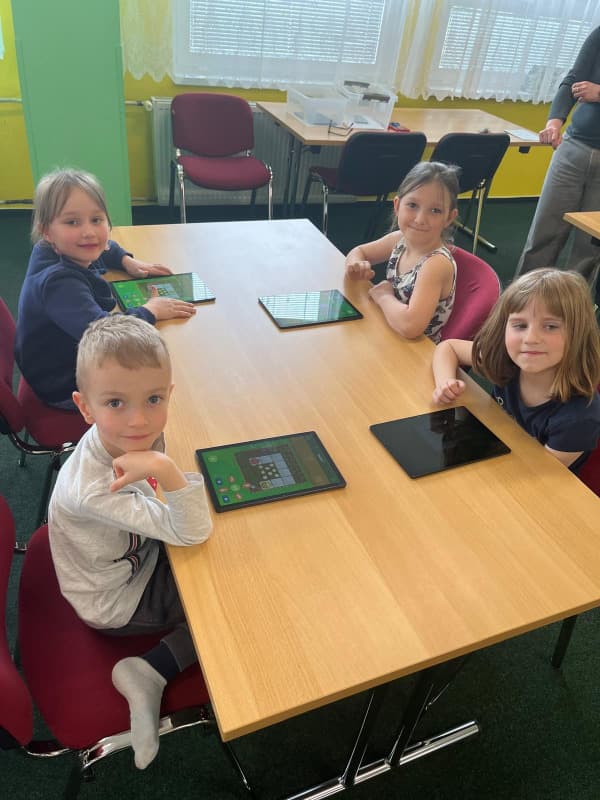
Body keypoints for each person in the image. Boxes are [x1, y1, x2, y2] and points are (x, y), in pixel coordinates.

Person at [48, 314, 212, 769]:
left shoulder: (121, 435)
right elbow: (192, 530)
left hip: (134, 558)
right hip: (117, 601)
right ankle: (150, 669)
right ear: (85, 407)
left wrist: (161, 467)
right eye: (116, 403)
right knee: (230, 604)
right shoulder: (94, 489)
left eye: (153, 399)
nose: (139, 420)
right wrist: (164, 469)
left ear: (169, 394)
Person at [15, 168, 197, 409]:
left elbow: (104, 245)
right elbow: (105, 336)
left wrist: (126, 261)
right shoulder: (59, 283)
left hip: (53, 362)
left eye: (96, 219)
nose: (88, 232)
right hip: (63, 384)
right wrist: (150, 311)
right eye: (72, 222)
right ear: (47, 231)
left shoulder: (55, 247)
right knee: (172, 386)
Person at [432, 268, 600, 472]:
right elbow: (448, 348)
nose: (531, 339)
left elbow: (538, 474)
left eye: (551, 326)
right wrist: (445, 382)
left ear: (577, 335)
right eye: (520, 325)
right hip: (492, 451)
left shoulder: (579, 417)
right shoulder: (506, 361)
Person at [516, 26, 600, 288]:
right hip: (573, 148)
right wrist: (554, 123)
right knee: (543, 236)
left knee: (589, 248)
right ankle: (521, 301)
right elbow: (573, 80)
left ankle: (570, 309)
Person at [344, 161, 460, 343]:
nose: (420, 219)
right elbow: (358, 251)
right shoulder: (399, 240)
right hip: (389, 330)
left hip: (415, 351)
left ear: (449, 218)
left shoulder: (436, 264)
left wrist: (384, 296)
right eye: (412, 205)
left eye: (435, 210)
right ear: (397, 206)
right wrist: (356, 265)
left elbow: (410, 326)